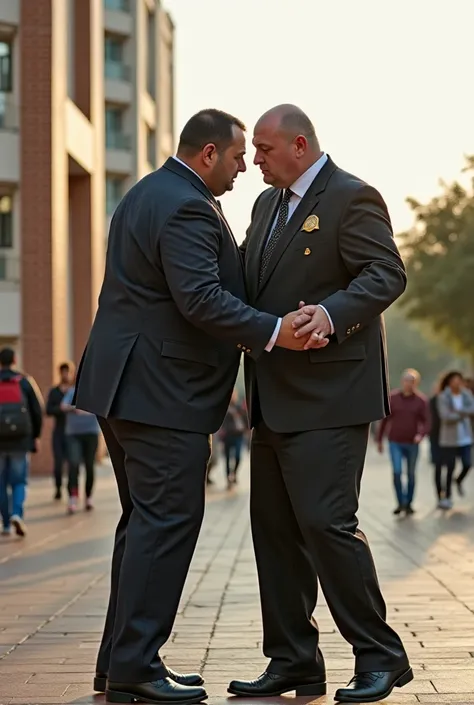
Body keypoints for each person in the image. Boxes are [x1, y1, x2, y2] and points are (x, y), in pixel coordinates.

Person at [73, 109, 317, 705]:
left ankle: (120, 663)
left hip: (127, 386)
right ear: (208, 153)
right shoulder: (185, 205)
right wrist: (274, 331)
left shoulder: (144, 194)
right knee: (166, 522)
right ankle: (136, 666)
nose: (244, 169)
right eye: (238, 157)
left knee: (142, 525)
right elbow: (201, 299)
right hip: (161, 392)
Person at [228, 105, 412, 704]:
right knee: (275, 533)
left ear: (299, 145)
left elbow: (386, 273)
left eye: (262, 148)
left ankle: (380, 656)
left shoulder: (352, 197)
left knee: (329, 526)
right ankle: (293, 663)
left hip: (332, 396)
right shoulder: (263, 207)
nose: (253, 159)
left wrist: (331, 315)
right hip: (272, 398)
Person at [0, 348, 43, 537]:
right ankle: (17, 513)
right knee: (19, 480)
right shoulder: (24, 381)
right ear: (15, 360)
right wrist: (36, 436)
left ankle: (6, 523)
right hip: (21, 440)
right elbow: (37, 410)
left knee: (1, 483)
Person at [376, 369, 429, 515]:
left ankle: (409, 503)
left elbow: (426, 422)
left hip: (412, 443)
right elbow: (384, 420)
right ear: (402, 382)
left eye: (412, 381)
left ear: (416, 383)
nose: (408, 384)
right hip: (395, 442)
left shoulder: (421, 401)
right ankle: (400, 503)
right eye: (406, 380)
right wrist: (379, 440)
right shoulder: (393, 398)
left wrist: (421, 435)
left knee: (411, 474)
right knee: (397, 472)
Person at [436, 370, 474, 508]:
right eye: (454, 380)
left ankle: (458, 480)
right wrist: (463, 414)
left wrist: (457, 412)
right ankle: (448, 497)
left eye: (459, 380)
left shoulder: (466, 394)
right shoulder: (443, 396)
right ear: (449, 382)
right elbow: (445, 416)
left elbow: (473, 408)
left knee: (468, 464)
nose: (457, 382)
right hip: (449, 439)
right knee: (450, 467)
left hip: (465, 437)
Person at [60, 385, 100, 514]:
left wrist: (86, 410)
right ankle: (73, 497)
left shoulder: (94, 391)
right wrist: (76, 409)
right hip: (73, 433)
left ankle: (88, 497)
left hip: (91, 433)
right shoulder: (72, 392)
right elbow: (63, 406)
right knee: (73, 463)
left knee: (89, 465)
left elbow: (102, 408)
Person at [46, 361, 74, 500]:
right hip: (59, 431)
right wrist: (60, 409)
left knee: (72, 463)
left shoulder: (75, 391)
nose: (66, 375)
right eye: (64, 372)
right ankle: (58, 488)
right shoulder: (54, 391)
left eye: (68, 372)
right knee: (58, 463)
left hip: (73, 432)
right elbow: (48, 410)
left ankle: (71, 491)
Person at [219, 388, 247, 489]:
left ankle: (234, 473)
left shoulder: (239, 407)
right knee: (227, 458)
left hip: (239, 435)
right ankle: (228, 478)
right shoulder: (225, 408)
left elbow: (245, 418)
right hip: (228, 435)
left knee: (238, 456)